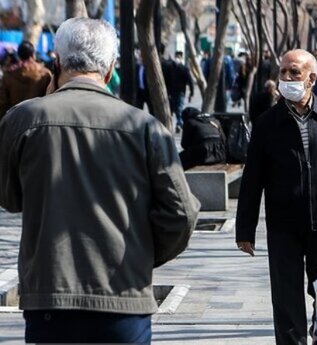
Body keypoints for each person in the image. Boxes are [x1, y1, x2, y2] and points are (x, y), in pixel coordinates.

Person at [0, 18, 200, 343]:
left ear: (58, 62)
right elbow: (183, 214)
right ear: (110, 70)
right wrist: (142, 254)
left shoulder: (24, 120)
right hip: (124, 296)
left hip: (50, 296)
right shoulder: (146, 127)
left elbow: (9, 198)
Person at [235, 49, 317, 345]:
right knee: (287, 303)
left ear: (312, 78)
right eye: (283, 72)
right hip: (283, 227)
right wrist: (245, 229)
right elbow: (252, 179)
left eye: (295, 72)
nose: (287, 78)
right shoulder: (266, 124)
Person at [0, 41, 51, 119]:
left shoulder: (9, 74)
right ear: (33, 55)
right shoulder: (45, 73)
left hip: (14, 119)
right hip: (37, 118)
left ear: (19, 55)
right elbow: (51, 96)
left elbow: (2, 102)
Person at [169, 51, 194, 132]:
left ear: (181, 58)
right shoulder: (171, 68)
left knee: (179, 109)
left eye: (178, 57)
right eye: (176, 56)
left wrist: (191, 92)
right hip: (172, 92)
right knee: (176, 110)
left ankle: (180, 124)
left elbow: (190, 81)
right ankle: (180, 124)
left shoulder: (184, 68)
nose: (177, 58)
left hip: (181, 92)